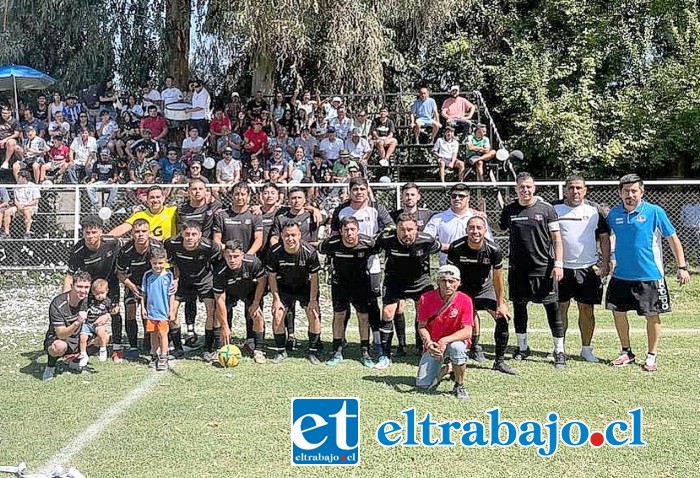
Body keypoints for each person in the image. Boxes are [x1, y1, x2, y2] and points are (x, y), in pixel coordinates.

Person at [606, 174, 690, 372]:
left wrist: (682, 267)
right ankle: (626, 351)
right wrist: (606, 261)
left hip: (650, 276)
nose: (630, 195)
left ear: (641, 192)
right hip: (621, 275)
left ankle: (651, 355)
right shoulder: (613, 214)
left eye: (634, 191)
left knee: (652, 316)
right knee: (618, 313)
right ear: (620, 193)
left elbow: (673, 239)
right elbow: (605, 238)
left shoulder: (654, 212)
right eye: (626, 191)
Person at [498, 172, 567, 370]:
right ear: (516, 189)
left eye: (528, 186)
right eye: (521, 187)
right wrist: (483, 217)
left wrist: (558, 263)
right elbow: (500, 228)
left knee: (552, 310)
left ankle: (559, 350)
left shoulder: (547, 209)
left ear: (534, 187)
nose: (525, 190)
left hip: (544, 269)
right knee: (520, 309)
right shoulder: (509, 210)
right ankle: (522, 347)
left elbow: (557, 239)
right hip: (518, 271)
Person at [447, 216, 517, 374]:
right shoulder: (456, 247)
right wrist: (452, 299)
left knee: (503, 318)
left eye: (479, 228)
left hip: (485, 290)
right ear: (466, 230)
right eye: (471, 228)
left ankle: (499, 361)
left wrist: (501, 303)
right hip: (463, 291)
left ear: (485, 231)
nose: (475, 231)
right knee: (456, 319)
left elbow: (498, 278)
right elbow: (451, 277)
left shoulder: (493, 249)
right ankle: (456, 357)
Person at [553, 175, 611, 363]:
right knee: (561, 308)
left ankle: (586, 349)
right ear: (565, 189)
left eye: (579, 188)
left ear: (585, 190)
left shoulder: (595, 210)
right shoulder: (554, 208)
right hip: (562, 268)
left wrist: (605, 262)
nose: (575, 191)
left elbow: (604, 238)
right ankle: (559, 348)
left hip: (588, 268)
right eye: (571, 188)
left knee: (586, 309)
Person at [374, 213, 441, 369]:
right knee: (388, 313)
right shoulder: (386, 239)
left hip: (420, 282)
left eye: (410, 229)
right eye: (402, 230)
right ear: (396, 229)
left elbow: (444, 249)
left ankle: (422, 349)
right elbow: (371, 247)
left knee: (425, 313)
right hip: (394, 281)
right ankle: (385, 355)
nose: (406, 233)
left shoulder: (427, 240)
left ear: (416, 228)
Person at [318, 216, 377, 368]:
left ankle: (365, 351)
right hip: (340, 285)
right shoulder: (332, 244)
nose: (349, 233)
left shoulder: (368, 243)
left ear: (358, 230)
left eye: (352, 229)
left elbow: (383, 248)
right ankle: (337, 350)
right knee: (338, 316)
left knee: (364, 318)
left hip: (361, 285)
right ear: (341, 231)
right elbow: (319, 248)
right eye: (346, 230)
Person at [64, 215, 125, 362]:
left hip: (110, 284)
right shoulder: (77, 250)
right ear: (83, 233)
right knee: (84, 315)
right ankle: (80, 348)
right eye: (87, 233)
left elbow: (126, 252)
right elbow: (69, 276)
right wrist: (65, 298)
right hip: (89, 288)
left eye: (94, 232)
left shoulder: (112, 242)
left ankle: (117, 348)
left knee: (115, 312)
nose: (91, 236)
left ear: (101, 231)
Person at [415, 265, 473, 401]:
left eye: (452, 281)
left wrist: (445, 340)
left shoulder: (465, 300)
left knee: (457, 347)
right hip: (434, 345)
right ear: (438, 282)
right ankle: (448, 368)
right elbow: (422, 326)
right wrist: (428, 342)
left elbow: (467, 331)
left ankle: (459, 385)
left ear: (459, 283)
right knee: (424, 385)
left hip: (454, 341)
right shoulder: (425, 298)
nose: (447, 284)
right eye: (443, 280)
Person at [165, 222, 221, 361]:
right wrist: (175, 278)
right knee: (171, 313)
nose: (190, 237)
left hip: (204, 280)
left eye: (194, 234)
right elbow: (173, 263)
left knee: (211, 312)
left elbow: (218, 262)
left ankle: (208, 348)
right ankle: (178, 348)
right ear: (182, 234)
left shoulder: (210, 246)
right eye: (187, 234)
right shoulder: (172, 243)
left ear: (200, 236)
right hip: (183, 281)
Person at [267, 222, 322, 365]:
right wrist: (276, 299)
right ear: (281, 236)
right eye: (286, 235)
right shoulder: (274, 252)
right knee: (278, 314)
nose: (290, 238)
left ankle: (313, 351)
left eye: (293, 235)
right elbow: (271, 277)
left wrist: (313, 300)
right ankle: (281, 351)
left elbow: (315, 278)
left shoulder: (309, 252)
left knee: (314, 313)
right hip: (284, 288)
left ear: (299, 235)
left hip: (305, 288)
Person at [116, 218, 165, 359]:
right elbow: (120, 273)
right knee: (130, 311)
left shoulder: (157, 247)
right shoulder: (126, 251)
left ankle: (149, 340)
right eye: (137, 231)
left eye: (144, 231)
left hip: (152, 284)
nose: (140, 234)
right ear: (132, 233)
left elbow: (163, 267)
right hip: (132, 284)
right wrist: (132, 287)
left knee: (150, 313)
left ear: (149, 232)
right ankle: (133, 346)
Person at [213, 240, 268, 364]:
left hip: (249, 292)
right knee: (218, 314)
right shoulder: (219, 271)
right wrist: (225, 326)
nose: (232, 260)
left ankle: (258, 349)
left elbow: (262, 280)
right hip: (230, 293)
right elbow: (219, 300)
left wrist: (256, 302)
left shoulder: (253, 262)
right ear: (224, 255)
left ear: (242, 255)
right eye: (229, 256)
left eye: (236, 256)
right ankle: (220, 347)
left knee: (257, 314)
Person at [43, 271, 92, 381]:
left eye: (86, 287)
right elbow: (61, 334)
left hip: (78, 338)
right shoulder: (58, 304)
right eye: (79, 286)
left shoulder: (88, 300)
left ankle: (74, 362)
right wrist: (77, 322)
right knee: (59, 346)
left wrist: (107, 315)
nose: (83, 290)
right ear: (72, 286)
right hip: (60, 338)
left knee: (102, 336)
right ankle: (50, 366)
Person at [424, 183, 483, 266]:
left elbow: (487, 243)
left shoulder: (477, 218)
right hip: (447, 268)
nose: (457, 198)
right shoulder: (438, 218)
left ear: (468, 198)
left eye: (461, 196)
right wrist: (443, 246)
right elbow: (426, 240)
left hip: (473, 266)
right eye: (453, 196)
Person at [141, 247, 175, 371]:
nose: (157, 266)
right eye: (155, 263)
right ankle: (154, 355)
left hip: (163, 312)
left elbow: (171, 294)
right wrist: (143, 308)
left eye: (160, 263)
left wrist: (171, 311)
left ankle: (163, 356)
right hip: (151, 311)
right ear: (150, 261)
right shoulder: (147, 275)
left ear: (165, 261)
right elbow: (143, 293)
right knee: (153, 334)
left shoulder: (169, 275)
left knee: (163, 334)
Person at [108, 186, 178, 240]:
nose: (155, 200)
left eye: (158, 197)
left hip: (168, 247)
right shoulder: (140, 215)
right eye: (152, 197)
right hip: (149, 249)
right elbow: (123, 228)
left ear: (163, 199)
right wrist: (105, 237)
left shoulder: (173, 211)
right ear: (147, 200)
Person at [77, 279, 111, 368]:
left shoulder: (107, 301)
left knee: (101, 333)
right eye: (97, 294)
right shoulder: (89, 300)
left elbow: (109, 312)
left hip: (98, 323)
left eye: (102, 293)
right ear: (93, 292)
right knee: (82, 338)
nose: (99, 296)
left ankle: (103, 349)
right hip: (88, 323)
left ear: (107, 291)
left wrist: (109, 313)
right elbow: (83, 310)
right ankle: (83, 354)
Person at [1, 171, 41, 238]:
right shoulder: (17, 186)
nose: (17, 178)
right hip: (19, 206)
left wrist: (25, 205)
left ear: (24, 178)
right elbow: (15, 199)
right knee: (7, 212)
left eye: (19, 177)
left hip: (30, 206)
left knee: (27, 211)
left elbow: (35, 201)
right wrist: (18, 205)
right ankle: (6, 233)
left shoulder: (33, 186)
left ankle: (27, 232)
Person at [0, 105, 21, 170]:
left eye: (5, 113)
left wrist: (5, 140)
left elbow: (16, 134)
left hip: (10, 139)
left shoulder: (14, 122)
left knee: (11, 142)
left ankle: (6, 162)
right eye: (2, 113)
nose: (4, 115)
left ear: (10, 113)